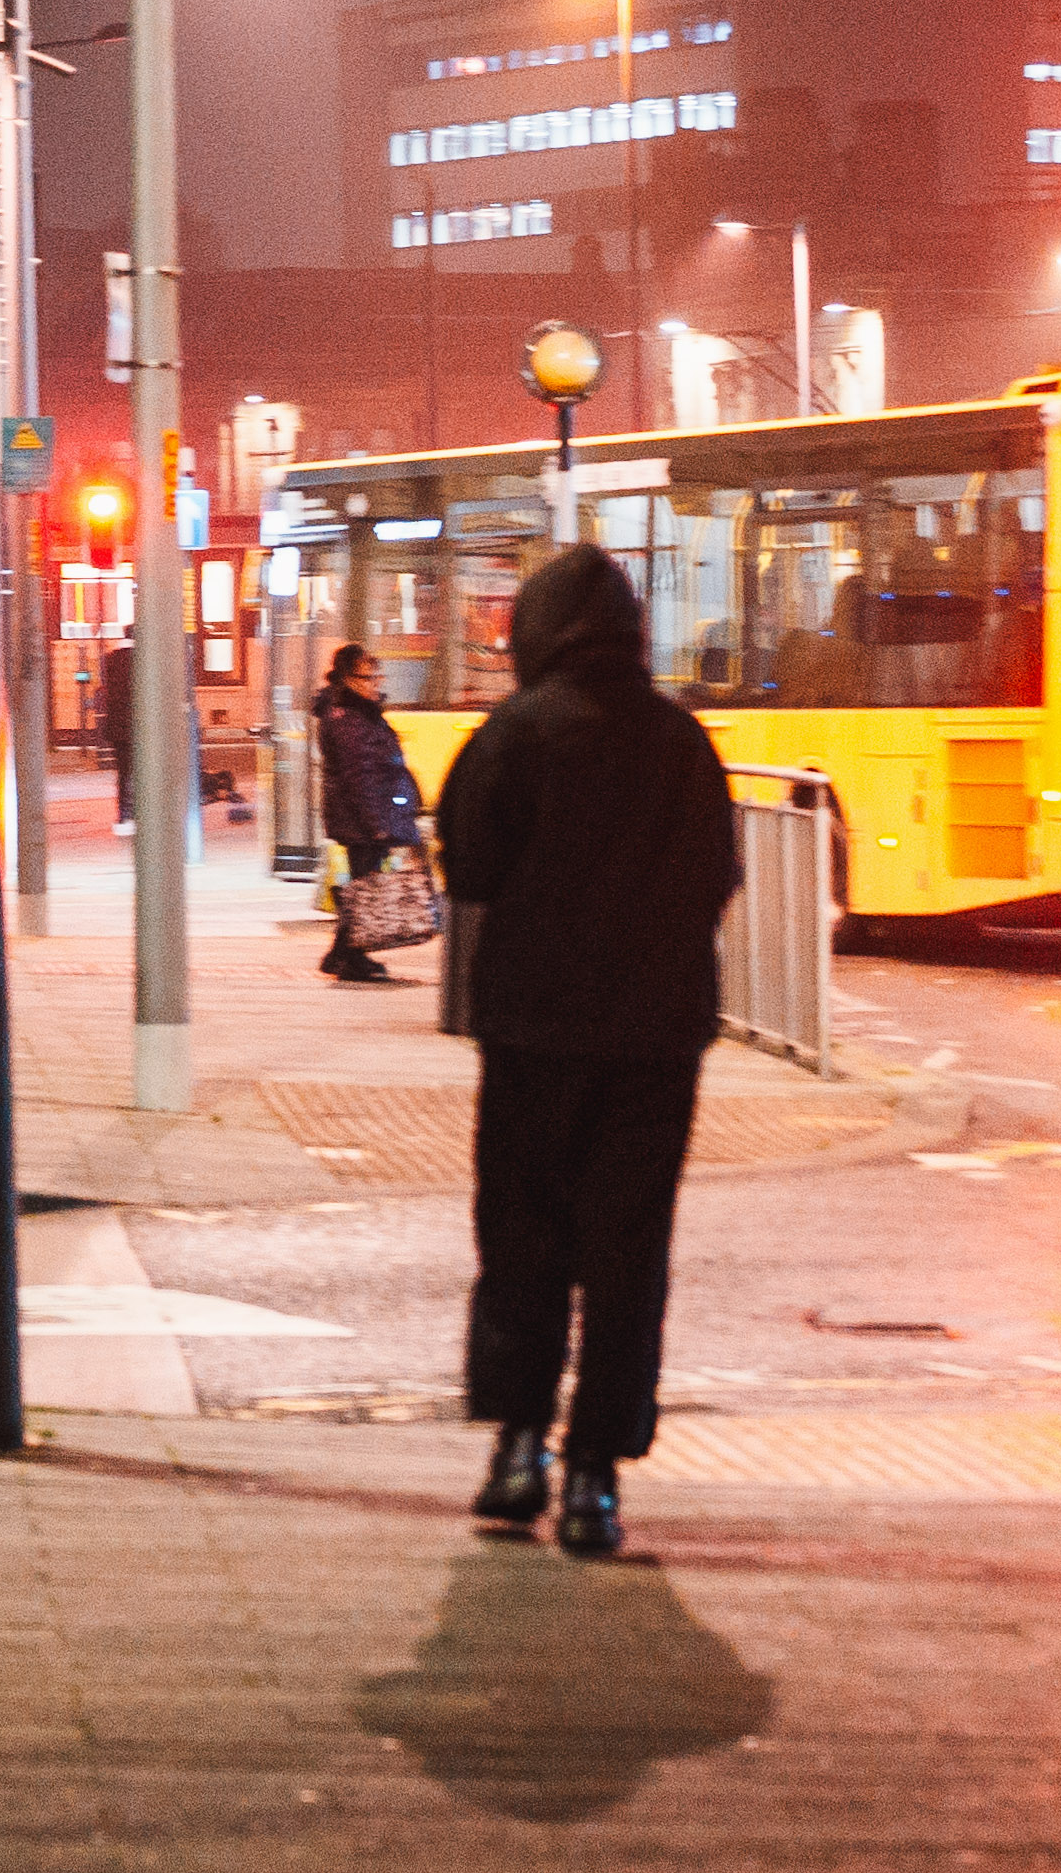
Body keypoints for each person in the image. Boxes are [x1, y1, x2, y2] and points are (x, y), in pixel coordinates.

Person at [438, 543, 742, 1562]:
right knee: (627, 1252)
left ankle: (518, 1446)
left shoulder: (514, 733)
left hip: (533, 1026)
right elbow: (717, 872)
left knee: (523, 1236)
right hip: (655, 1037)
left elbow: (471, 866)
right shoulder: (680, 740)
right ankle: (595, 1480)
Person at [307, 643, 427, 984]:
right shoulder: (346, 717)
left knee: (364, 885)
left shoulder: (357, 711)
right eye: (367, 677)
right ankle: (349, 957)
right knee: (365, 887)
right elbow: (359, 776)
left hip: (366, 815)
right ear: (348, 679)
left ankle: (343, 954)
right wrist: (377, 826)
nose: (376, 683)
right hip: (361, 818)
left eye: (377, 676)